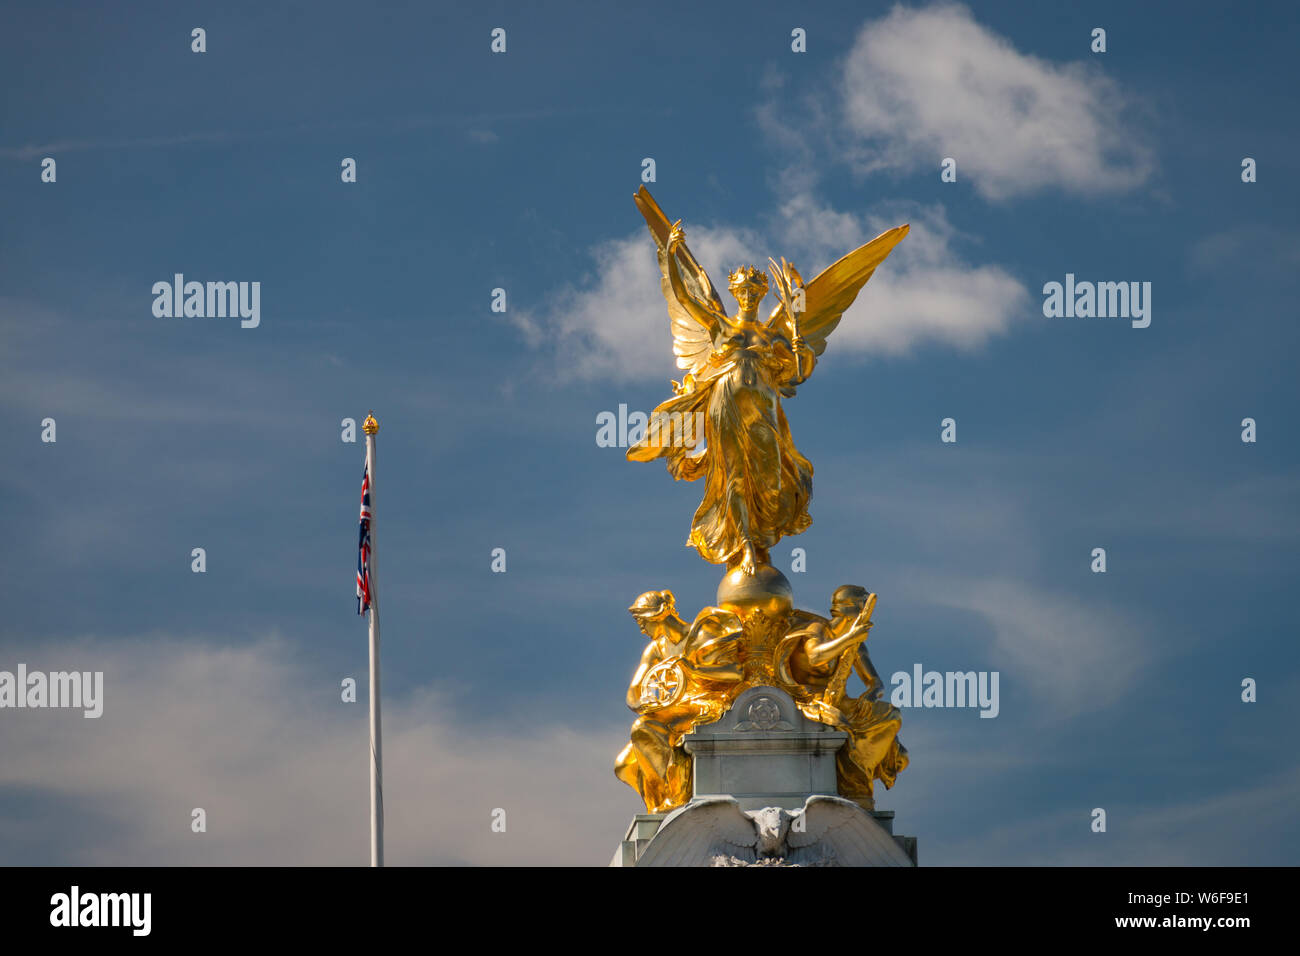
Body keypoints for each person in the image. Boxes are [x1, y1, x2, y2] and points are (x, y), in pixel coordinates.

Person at [778, 585, 909, 810]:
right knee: (840, 723)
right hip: (807, 700)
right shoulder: (817, 628)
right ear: (851, 610)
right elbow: (816, 655)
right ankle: (850, 780)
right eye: (862, 608)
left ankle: (859, 777)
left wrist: (870, 695)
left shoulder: (858, 643)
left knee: (891, 715)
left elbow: (875, 683)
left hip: (842, 700)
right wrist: (849, 638)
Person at [614, 590, 744, 813]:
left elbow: (736, 674)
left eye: (643, 621)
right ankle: (660, 806)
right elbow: (633, 694)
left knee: (644, 728)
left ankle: (673, 802)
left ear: (660, 614)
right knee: (625, 765)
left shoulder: (703, 633)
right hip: (675, 710)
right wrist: (644, 704)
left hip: (708, 705)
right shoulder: (656, 649)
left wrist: (693, 670)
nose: (641, 628)